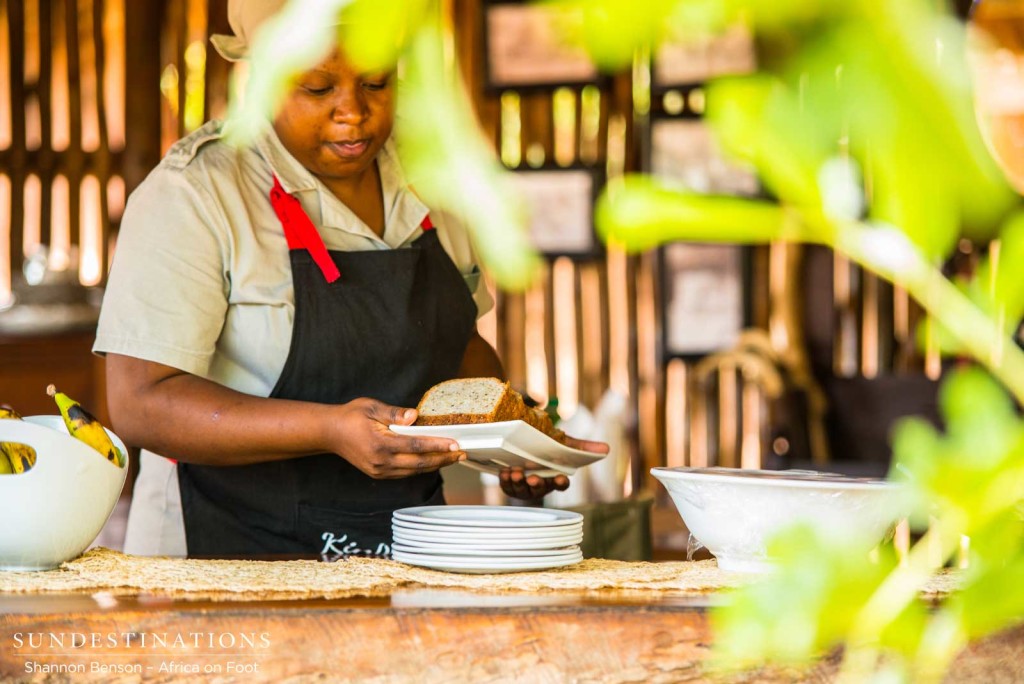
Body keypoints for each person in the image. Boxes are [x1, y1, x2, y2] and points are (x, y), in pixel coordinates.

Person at [93, 0, 608, 559]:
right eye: (317, 88)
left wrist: (513, 438)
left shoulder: (427, 171)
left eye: (375, 82)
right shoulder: (196, 194)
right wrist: (330, 429)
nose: (353, 113)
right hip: (224, 543)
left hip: (403, 543)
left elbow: (457, 347)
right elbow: (141, 401)